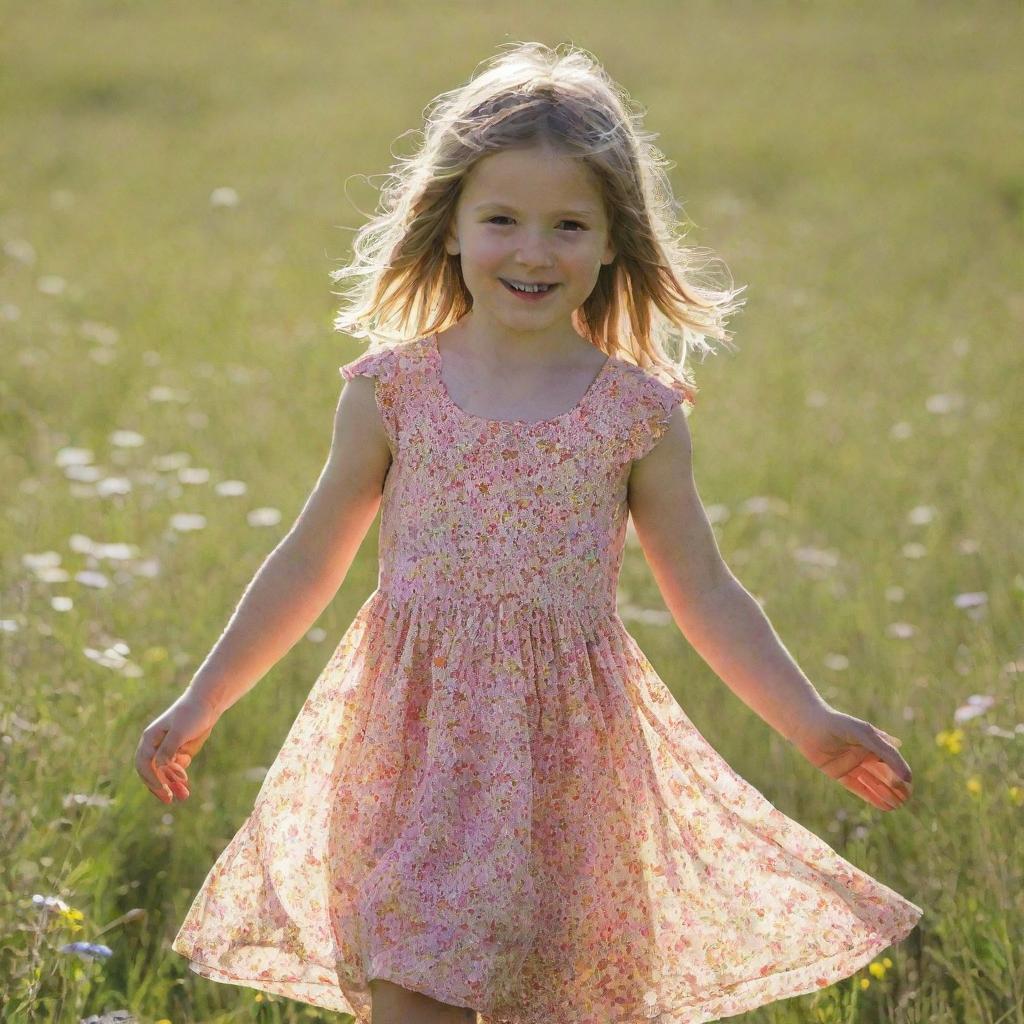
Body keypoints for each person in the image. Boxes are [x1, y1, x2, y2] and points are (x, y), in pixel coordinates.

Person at [136, 40, 922, 1024]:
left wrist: (810, 723)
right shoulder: (393, 392)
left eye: (567, 225)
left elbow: (706, 589)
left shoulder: (634, 412)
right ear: (452, 226)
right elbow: (307, 558)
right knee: (411, 981)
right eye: (501, 218)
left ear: (610, 241)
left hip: (565, 770)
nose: (533, 250)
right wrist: (206, 697)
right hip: (409, 756)